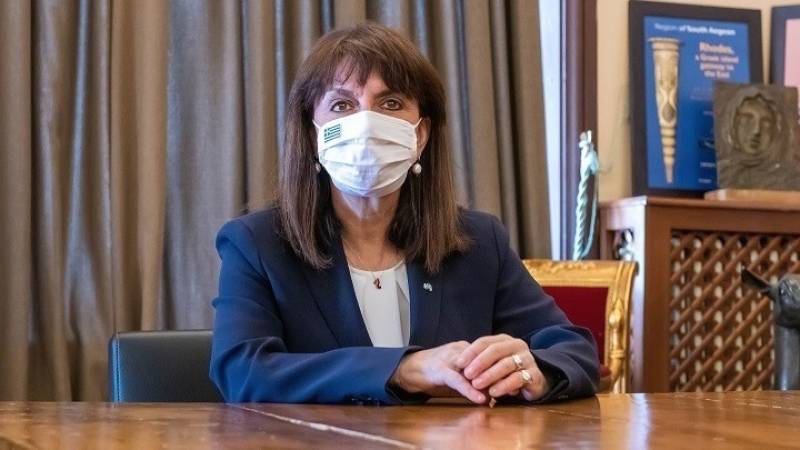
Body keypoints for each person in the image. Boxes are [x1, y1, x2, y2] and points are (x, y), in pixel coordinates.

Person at [210, 22, 598, 405]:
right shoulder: (255, 244)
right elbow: (242, 372)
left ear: (421, 135)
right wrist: (403, 369)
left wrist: (531, 371)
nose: (366, 123)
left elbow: (574, 350)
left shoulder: (480, 242)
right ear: (313, 136)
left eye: (391, 104)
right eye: (342, 105)